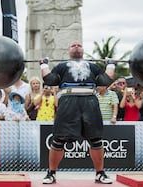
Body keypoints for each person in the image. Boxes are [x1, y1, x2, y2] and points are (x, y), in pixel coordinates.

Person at [39, 41, 114, 184]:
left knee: (95, 139)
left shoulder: (93, 66)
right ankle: (51, 173)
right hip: (68, 103)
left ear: (83, 50)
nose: (76, 46)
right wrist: (43, 64)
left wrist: (110, 64)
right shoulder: (62, 66)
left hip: (90, 103)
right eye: (73, 45)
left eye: (79, 45)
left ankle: (100, 173)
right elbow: (50, 79)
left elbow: (105, 80)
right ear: (68, 50)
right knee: (58, 140)